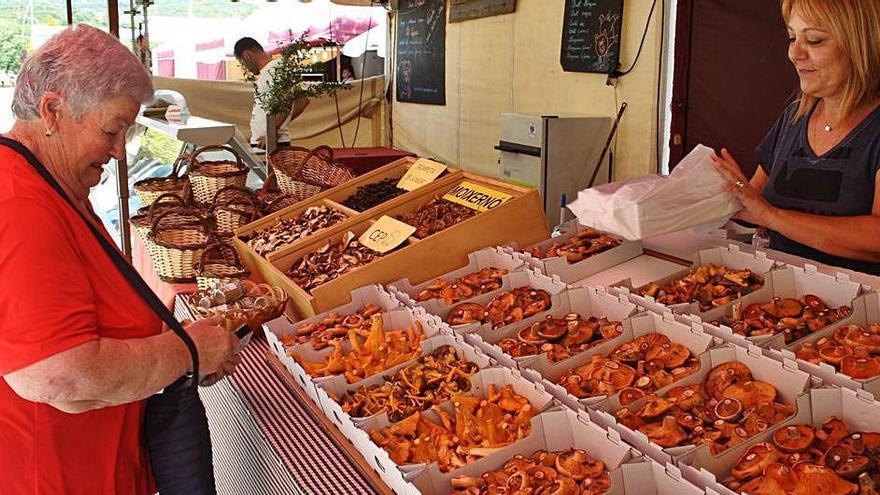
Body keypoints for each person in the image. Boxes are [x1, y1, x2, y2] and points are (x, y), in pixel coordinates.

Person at [0, 25, 240, 494]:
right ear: (52, 110)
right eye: (111, 130)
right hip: (49, 475)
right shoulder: (19, 204)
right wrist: (187, 352)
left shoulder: (52, 184)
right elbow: (59, 373)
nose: (116, 151)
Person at [713, 0, 880, 274]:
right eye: (792, 37)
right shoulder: (794, 117)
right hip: (776, 295)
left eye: (814, 40)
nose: (794, 53)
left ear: (860, 45)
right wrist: (718, 192)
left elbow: (876, 240)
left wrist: (772, 216)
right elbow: (751, 203)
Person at [234, 37, 310, 149]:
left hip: (270, 142)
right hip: (267, 139)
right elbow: (302, 101)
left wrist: (272, 131)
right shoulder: (277, 68)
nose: (245, 68)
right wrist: (279, 125)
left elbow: (287, 103)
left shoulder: (274, 70)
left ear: (247, 55)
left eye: (242, 62)